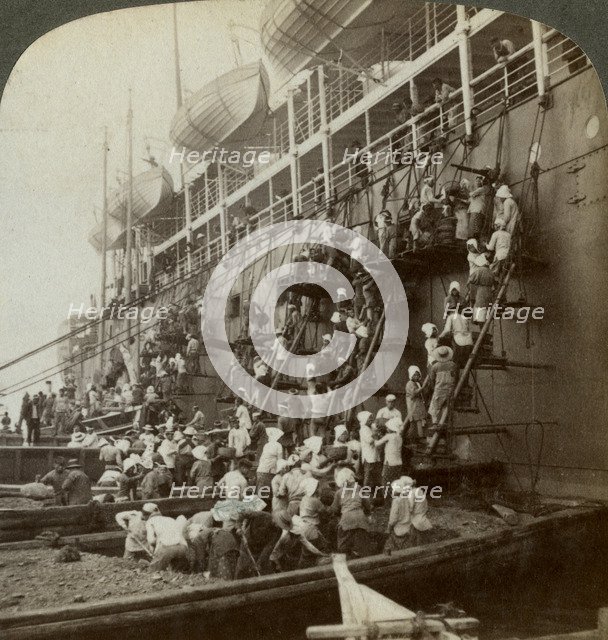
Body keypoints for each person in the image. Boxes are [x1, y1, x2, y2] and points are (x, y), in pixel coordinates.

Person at [331, 467, 374, 558]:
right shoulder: (358, 488)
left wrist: (338, 515)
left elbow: (334, 509)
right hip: (360, 516)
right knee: (363, 543)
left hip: (347, 517)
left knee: (343, 544)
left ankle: (346, 559)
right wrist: (368, 513)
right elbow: (367, 504)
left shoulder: (339, 492)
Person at [384, 475, 433, 551]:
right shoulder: (419, 490)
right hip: (420, 518)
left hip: (413, 522)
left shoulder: (408, 495)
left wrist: (389, 527)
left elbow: (407, 510)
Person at [144, 503, 191, 571]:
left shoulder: (150, 521)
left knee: (153, 573)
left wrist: (153, 549)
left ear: (148, 514)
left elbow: (151, 541)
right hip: (183, 548)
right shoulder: (170, 519)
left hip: (166, 548)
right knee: (179, 574)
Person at [424, 346, 458, 427]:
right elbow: (455, 376)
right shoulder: (453, 365)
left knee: (434, 407)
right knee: (445, 405)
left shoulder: (435, 366)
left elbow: (432, 379)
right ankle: (443, 422)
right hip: (450, 388)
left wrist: (433, 388)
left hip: (439, 389)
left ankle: (435, 423)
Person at [375, 417, 403, 485]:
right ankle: (395, 494)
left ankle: (386, 494)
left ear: (391, 428)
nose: (387, 429)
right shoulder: (399, 437)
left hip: (390, 463)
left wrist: (375, 436)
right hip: (399, 463)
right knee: (396, 482)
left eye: (388, 427)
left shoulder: (389, 436)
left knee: (385, 481)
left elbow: (377, 443)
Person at [358, 411, 381, 491]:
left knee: (375, 472)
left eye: (372, 418)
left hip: (374, 452)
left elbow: (376, 434)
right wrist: (376, 434)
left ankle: (374, 489)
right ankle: (365, 490)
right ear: (365, 420)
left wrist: (376, 432)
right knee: (368, 473)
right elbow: (370, 440)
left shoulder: (371, 427)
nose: (371, 420)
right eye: (369, 419)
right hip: (368, 454)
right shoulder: (363, 429)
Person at [257, 427, 284, 495]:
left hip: (260, 470)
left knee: (262, 494)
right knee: (270, 494)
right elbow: (280, 461)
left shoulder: (266, 445)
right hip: (269, 472)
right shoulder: (278, 445)